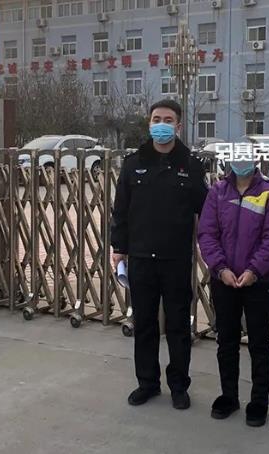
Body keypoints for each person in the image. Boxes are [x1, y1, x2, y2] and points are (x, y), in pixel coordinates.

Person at [111, 99, 207, 410]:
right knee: (145, 324)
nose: (161, 125)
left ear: (178, 126)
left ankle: (179, 386)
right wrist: (119, 248)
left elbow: (206, 211)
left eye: (168, 120)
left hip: (175, 259)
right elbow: (121, 210)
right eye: (156, 119)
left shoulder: (191, 165)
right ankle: (147, 383)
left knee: (178, 326)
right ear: (149, 123)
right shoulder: (133, 163)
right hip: (140, 258)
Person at [197, 154, 269, 427]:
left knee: (260, 342)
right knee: (226, 340)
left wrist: (254, 270)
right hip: (223, 280)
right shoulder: (217, 192)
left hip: (258, 281)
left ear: (256, 159)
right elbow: (207, 234)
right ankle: (229, 395)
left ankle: (259, 400)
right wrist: (220, 268)